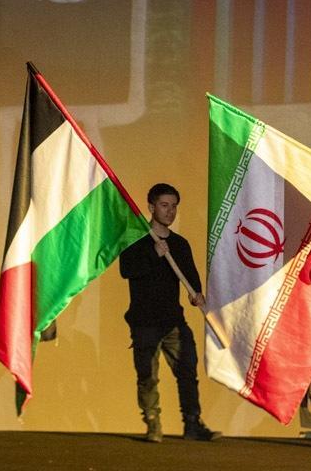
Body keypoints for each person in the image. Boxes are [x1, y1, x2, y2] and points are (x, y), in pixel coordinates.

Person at [118, 183, 220, 443]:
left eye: (174, 206)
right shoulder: (135, 240)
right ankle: (153, 424)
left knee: (187, 373)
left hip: (174, 321)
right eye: (164, 205)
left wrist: (196, 293)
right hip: (144, 322)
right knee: (148, 377)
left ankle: (192, 424)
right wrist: (154, 254)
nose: (170, 211)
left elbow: (190, 276)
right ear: (151, 207)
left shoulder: (180, 244)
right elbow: (127, 270)